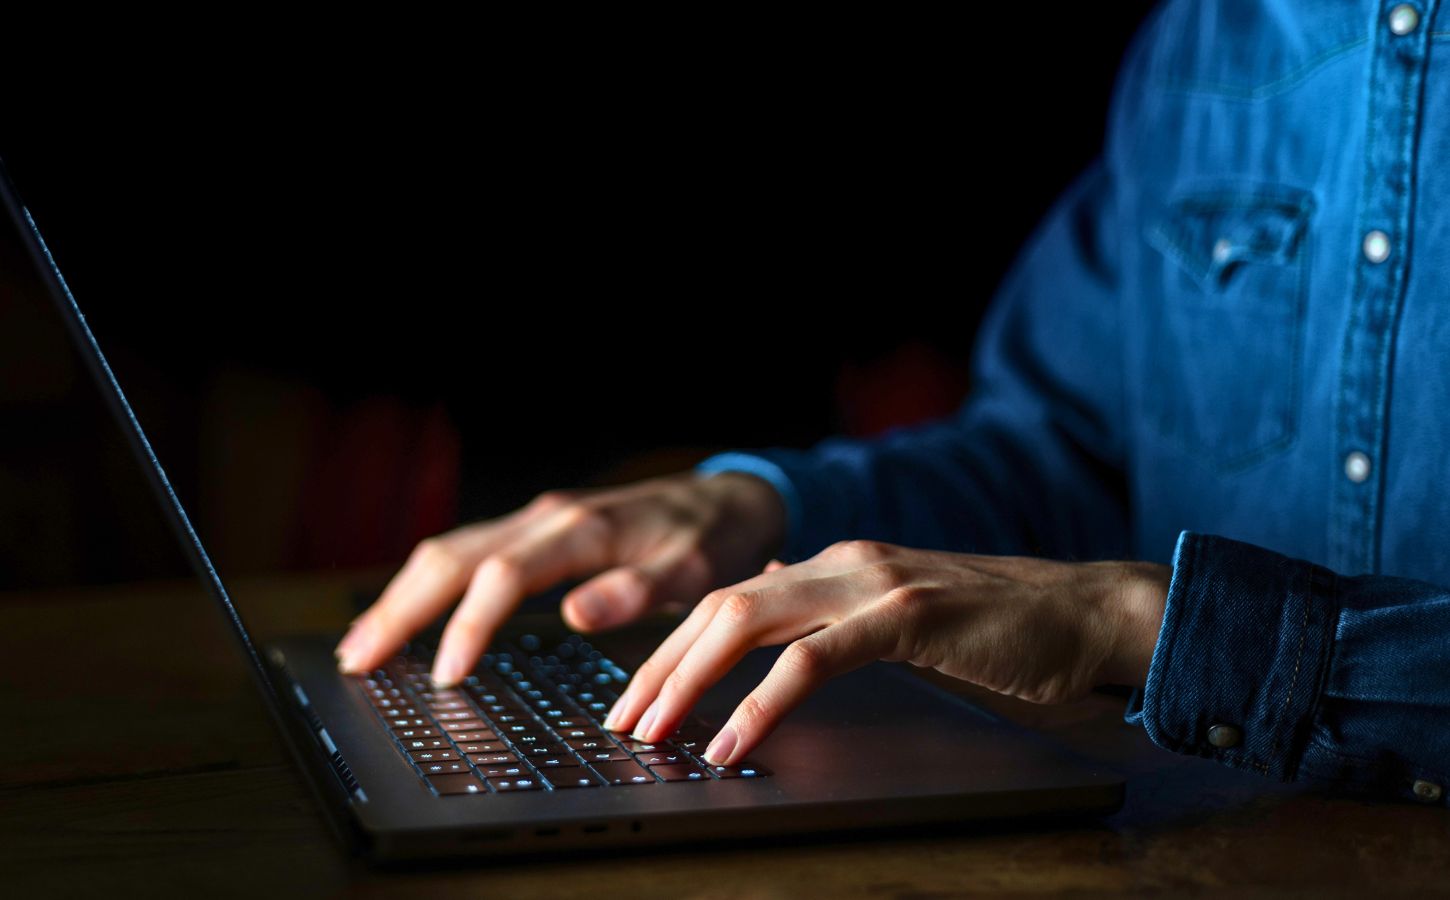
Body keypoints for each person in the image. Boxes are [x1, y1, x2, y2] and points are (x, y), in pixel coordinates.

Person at [335, 0, 1449, 805]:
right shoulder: (1209, 38)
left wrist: (1138, 622)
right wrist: (752, 509)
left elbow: (1095, 591)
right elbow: (1060, 452)